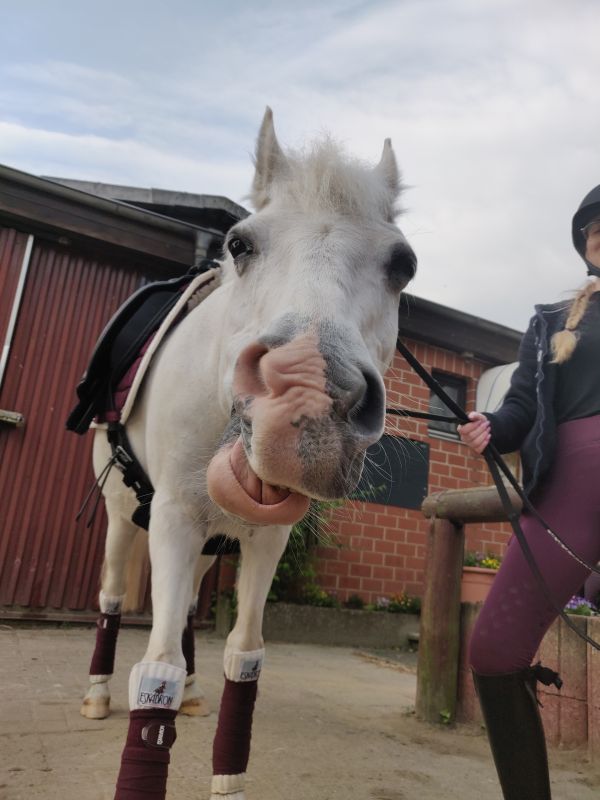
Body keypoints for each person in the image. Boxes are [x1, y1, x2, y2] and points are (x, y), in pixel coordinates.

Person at [458, 184, 600, 800]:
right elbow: (520, 408)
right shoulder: (549, 322)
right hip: (569, 491)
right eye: (595, 226)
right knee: (494, 650)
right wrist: (491, 428)